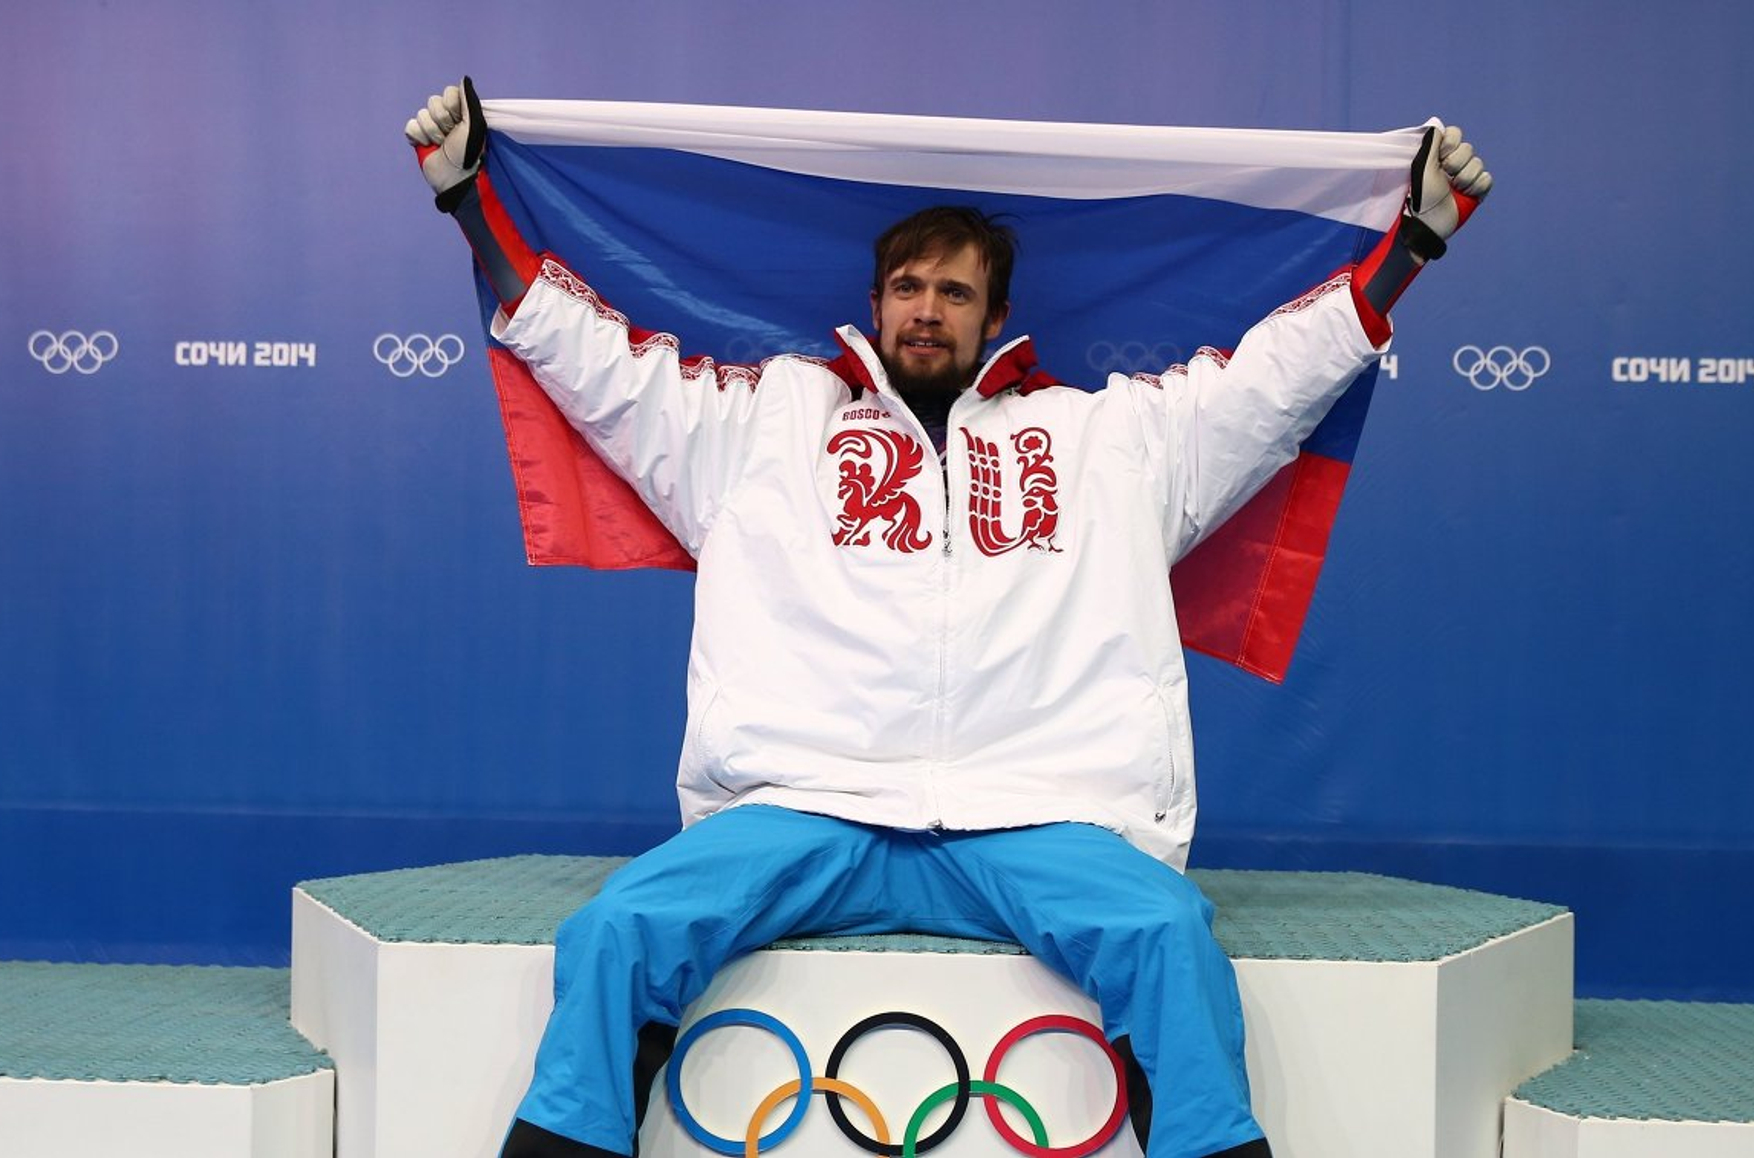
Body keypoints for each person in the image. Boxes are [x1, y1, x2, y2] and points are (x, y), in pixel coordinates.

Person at [405, 79, 1490, 1158]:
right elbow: (591, 360)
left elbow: (1269, 384)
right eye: (908, 287)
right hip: (806, 806)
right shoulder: (760, 426)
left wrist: (1410, 246)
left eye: (955, 292)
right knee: (616, 930)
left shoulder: (1107, 442)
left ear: (995, 317)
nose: (927, 309)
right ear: (876, 304)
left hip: (1038, 815)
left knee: (1167, 936)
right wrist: (469, 203)